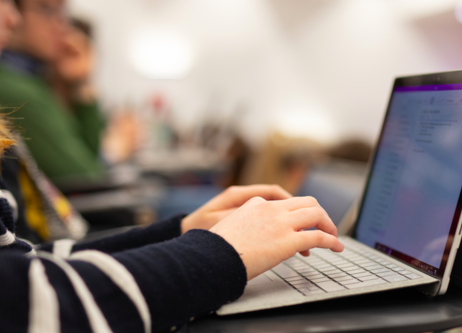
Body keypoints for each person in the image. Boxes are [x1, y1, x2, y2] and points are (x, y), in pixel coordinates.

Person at [0, 2, 343, 331]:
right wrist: (221, 253)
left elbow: (27, 261)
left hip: (74, 228)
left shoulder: (35, 84)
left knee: (201, 204)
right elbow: (34, 304)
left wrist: (181, 231)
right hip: (95, 212)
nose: (12, 18)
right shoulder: (20, 88)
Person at [0, 0, 105, 184]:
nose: (61, 25)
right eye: (46, 10)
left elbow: (89, 155)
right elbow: (88, 176)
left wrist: (79, 84)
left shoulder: (35, 79)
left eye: (63, 12)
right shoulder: (20, 92)